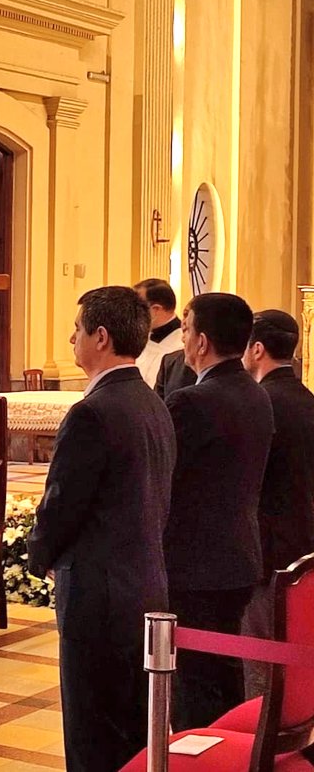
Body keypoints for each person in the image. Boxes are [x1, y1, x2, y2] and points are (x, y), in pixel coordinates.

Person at [26, 286, 175, 771]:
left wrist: (39, 556)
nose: (72, 338)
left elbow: (62, 503)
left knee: (93, 732)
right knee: (131, 726)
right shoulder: (154, 403)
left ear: (102, 336)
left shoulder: (93, 412)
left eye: (77, 330)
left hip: (98, 595)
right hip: (145, 586)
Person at [164, 292, 274, 730]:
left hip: (194, 565)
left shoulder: (191, 402)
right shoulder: (255, 393)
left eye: (186, 330)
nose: (184, 340)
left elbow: (164, 479)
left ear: (202, 341)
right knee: (224, 674)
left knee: (194, 685)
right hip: (239, 555)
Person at [240, 309, 314, 697]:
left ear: (256, 349)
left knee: (261, 662)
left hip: (266, 551)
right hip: (304, 542)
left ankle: (263, 747)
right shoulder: (307, 399)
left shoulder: (260, 403)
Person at [134, 278, 183, 388]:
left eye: (139, 308)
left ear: (156, 309)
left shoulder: (182, 345)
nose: (134, 313)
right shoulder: (140, 338)